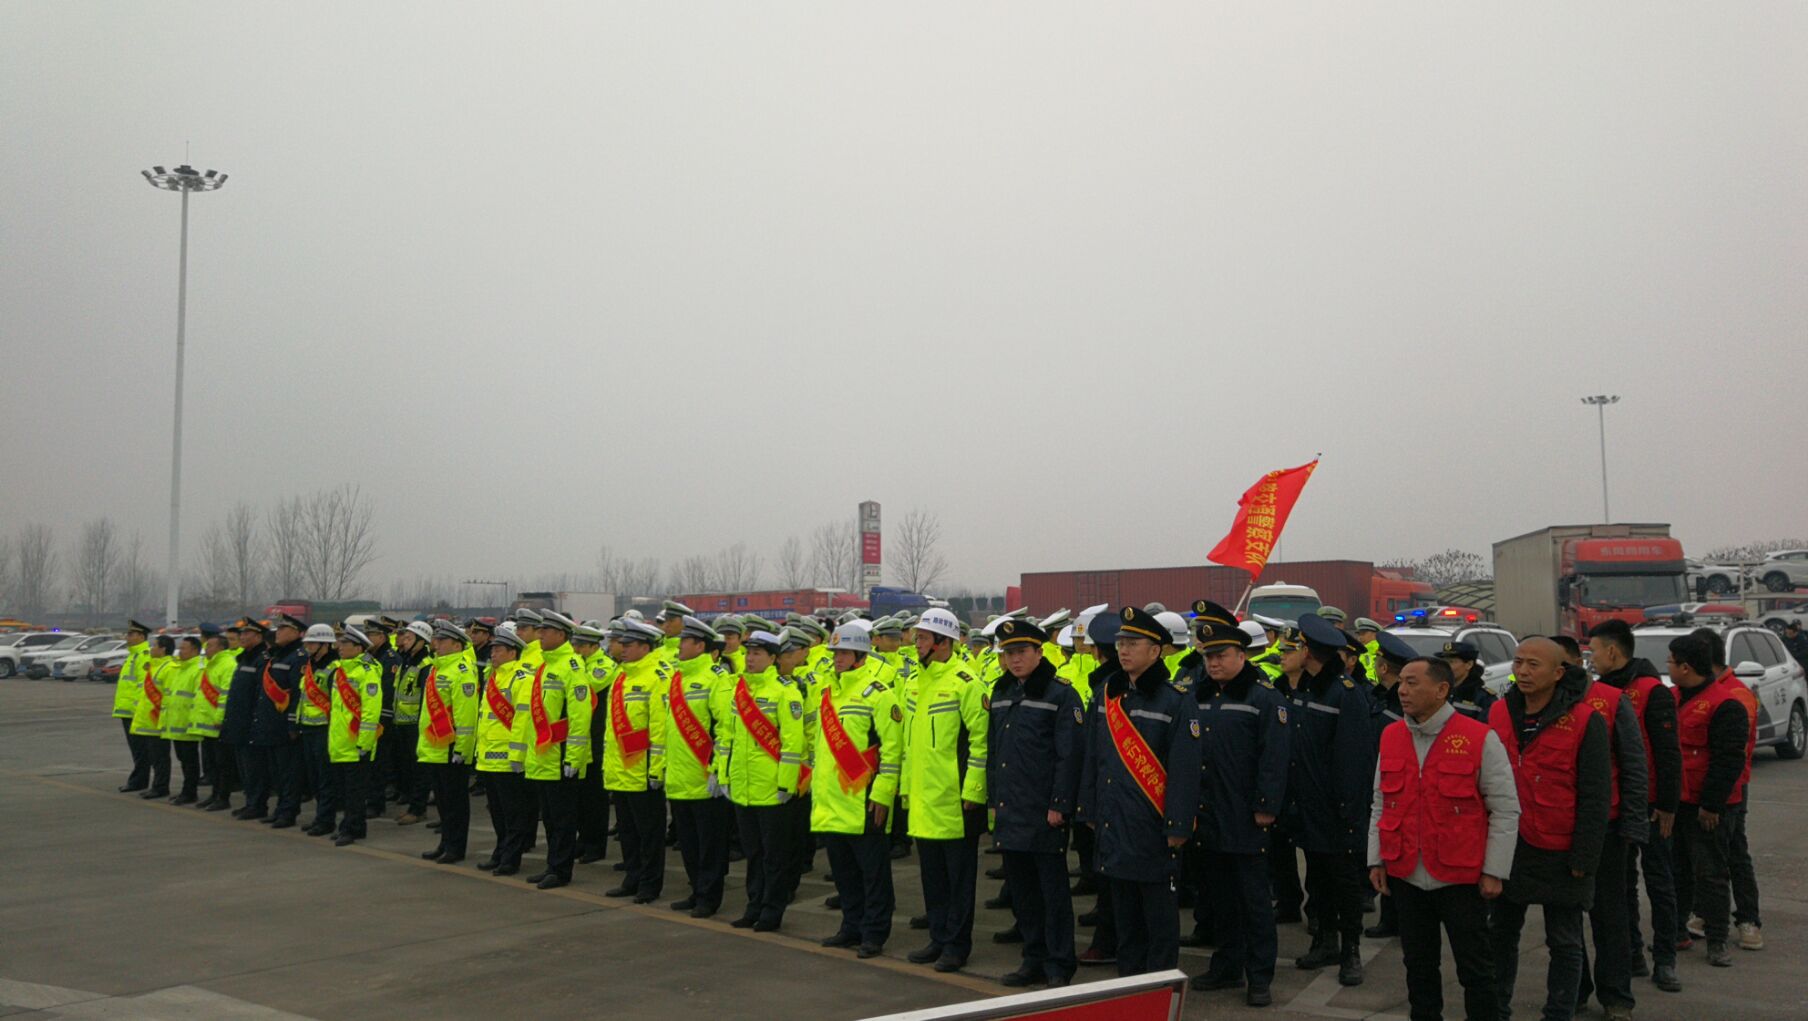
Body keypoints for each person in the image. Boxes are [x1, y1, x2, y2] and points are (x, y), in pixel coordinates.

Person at [1368, 656, 1519, 1021]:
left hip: (1460, 877)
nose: (1402, 690)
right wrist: (1376, 859)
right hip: (1406, 873)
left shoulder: (1479, 737)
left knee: (1476, 969)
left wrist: (1494, 870)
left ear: (1441, 690)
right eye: (1401, 682)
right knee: (1418, 966)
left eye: (1413, 682)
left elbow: (1504, 809)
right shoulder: (1391, 735)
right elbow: (1380, 802)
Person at [1489, 637, 1612, 1021]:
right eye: (1518, 662)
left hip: (1560, 848)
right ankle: (1496, 1010)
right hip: (1509, 845)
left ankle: (1559, 1012)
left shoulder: (1584, 720)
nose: (1523, 671)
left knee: (1564, 940)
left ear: (1559, 673)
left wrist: (1584, 857)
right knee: (1500, 935)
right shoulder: (1498, 712)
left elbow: (1596, 795)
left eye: (1533, 665)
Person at [1076, 607, 1203, 977]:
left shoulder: (1175, 700)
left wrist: (1178, 825)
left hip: (1153, 826)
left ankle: (1160, 990)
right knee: (1125, 921)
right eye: (1121, 643)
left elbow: (1185, 769)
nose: (1124, 650)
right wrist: (1088, 809)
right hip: (1114, 822)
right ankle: (1130, 988)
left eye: (1133, 643)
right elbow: (1092, 757)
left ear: (1156, 650)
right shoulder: (1108, 695)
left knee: (1159, 921)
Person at [1187, 601, 1290, 1008]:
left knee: (1254, 902)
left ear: (1242, 656)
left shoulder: (1264, 697)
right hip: (1208, 813)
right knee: (1220, 898)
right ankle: (1226, 965)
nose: (1213, 663)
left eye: (1221, 655)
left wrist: (1266, 805)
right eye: (1208, 656)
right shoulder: (1198, 695)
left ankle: (1259, 975)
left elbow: (1275, 757)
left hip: (1246, 816)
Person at [985, 618, 1083, 989]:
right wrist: (993, 800)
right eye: (1009, 652)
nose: (1015, 659)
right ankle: (1033, 957)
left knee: (1052, 894)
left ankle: (1059, 963)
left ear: (1040, 653)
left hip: (1044, 811)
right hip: (1011, 807)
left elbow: (1069, 755)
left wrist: (1060, 803)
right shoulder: (1001, 691)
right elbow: (995, 752)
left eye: (1022, 651)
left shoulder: (1060, 694)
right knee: (1024, 893)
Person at [1587, 618, 1683, 994]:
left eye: (1594, 651)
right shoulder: (1597, 691)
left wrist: (1667, 805)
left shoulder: (1651, 691)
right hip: (1617, 807)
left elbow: (1667, 753)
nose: (1591, 659)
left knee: (1659, 881)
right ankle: (1631, 954)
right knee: (1621, 885)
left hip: (1652, 805)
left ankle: (1666, 959)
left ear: (1613, 651)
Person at [1288, 613, 1380, 986]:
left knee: (1345, 884)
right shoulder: (1308, 688)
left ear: (1310, 652)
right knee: (1319, 880)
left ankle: (1350, 950)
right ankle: (1325, 942)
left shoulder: (1345, 693)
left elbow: (1354, 759)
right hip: (1309, 805)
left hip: (1337, 810)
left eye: (1299, 646)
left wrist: (1349, 812)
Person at [1566, 634, 1650, 1021]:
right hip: (1556, 830)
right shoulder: (1533, 706)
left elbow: (1634, 765)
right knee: (1565, 919)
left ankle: (1616, 996)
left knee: (1609, 916)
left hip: (1608, 829)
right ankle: (1575, 987)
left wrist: (1633, 825)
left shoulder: (1612, 701)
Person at [902, 608, 990, 973]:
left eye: (923, 638)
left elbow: (980, 743)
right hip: (924, 799)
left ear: (943, 642)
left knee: (959, 881)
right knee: (933, 877)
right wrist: (905, 789)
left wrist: (974, 792)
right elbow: (909, 744)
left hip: (955, 802)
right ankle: (938, 938)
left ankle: (956, 945)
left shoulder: (966, 683)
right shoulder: (913, 682)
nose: (916, 643)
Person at [813, 622, 905, 959]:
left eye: (844, 653)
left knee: (873, 874)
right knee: (844, 873)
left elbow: (892, 751)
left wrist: (883, 794)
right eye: (835, 652)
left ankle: (874, 932)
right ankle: (851, 926)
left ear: (860, 655)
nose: (837, 658)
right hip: (832, 800)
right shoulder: (828, 692)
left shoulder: (879, 694)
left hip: (865, 800)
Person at [1668, 632, 1755, 969]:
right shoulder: (1672, 698)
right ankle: (1678, 931)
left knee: (1712, 872)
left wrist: (1711, 805)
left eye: (1671, 662)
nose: (1668, 667)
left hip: (1708, 806)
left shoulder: (1726, 703)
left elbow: (1729, 759)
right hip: (1677, 802)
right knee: (1678, 871)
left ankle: (1717, 939)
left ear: (1686, 667)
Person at [720, 628, 806, 931]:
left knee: (774, 857)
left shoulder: (786, 692)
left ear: (773, 658)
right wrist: (724, 775)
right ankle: (753, 906)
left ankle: (771, 911)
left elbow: (793, 744)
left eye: (757, 653)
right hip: (743, 787)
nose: (750, 659)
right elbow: (727, 737)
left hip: (772, 790)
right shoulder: (739, 691)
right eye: (748, 653)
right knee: (753, 855)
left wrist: (786, 784)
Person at [665, 616, 733, 916]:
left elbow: (725, 729)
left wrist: (719, 770)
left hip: (705, 778)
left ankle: (709, 897)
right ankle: (696, 890)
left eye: (685, 641)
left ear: (700, 645)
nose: (679, 645)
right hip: (679, 777)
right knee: (689, 844)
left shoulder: (716, 678)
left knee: (710, 845)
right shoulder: (677, 678)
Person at [522, 610, 590, 890]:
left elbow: (579, 716)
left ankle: (561, 870)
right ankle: (552, 865)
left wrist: (573, 757)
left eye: (545, 631)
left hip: (561, 756)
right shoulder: (546, 665)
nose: (540, 635)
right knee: (550, 818)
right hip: (543, 756)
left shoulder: (571, 667)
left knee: (563, 819)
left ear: (560, 635)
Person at [603, 618, 669, 903]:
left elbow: (659, 730)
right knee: (628, 832)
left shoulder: (657, 677)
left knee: (649, 833)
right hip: (620, 769)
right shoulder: (621, 676)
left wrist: (656, 770)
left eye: (628, 645)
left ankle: (650, 884)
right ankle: (632, 877)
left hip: (643, 770)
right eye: (622, 644)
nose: (623, 649)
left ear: (645, 647)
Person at [1361, 630, 1421, 941]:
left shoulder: (1403, 706)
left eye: (1377, 661)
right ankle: (1389, 916)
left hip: (1398, 787)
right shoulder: (1380, 697)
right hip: (1376, 782)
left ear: (1384, 667)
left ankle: (1398, 918)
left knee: (1398, 852)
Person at [417, 619, 478, 864]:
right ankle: (445, 842)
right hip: (435, 746)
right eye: (437, 640)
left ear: (456, 645)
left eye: (442, 641)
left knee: (455, 802)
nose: (437, 644)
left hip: (451, 747)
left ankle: (456, 847)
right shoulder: (437, 668)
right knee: (442, 801)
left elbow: (465, 716)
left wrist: (462, 749)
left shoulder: (462, 672)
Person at [476, 626, 534, 875]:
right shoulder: (493, 677)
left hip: (508, 759)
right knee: (497, 812)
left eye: (498, 649)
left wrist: (517, 756)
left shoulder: (522, 679)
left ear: (513, 652)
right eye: (492, 650)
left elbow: (522, 720)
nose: (493, 654)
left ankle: (511, 858)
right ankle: (501, 851)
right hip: (488, 757)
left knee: (513, 813)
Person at [328, 625, 383, 847]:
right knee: (344, 790)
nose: (339, 647)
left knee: (355, 792)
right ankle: (351, 826)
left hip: (356, 744)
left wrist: (364, 744)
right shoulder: (340, 670)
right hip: (340, 741)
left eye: (345, 643)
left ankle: (352, 828)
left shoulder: (367, 672)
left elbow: (370, 712)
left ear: (358, 648)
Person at [297, 624, 342, 837]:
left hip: (325, 729)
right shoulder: (310, 666)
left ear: (325, 644)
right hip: (308, 727)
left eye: (312, 643)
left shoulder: (335, 668)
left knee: (326, 779)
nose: (308, 647)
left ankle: (326, 820)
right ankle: (319, 817)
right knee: (314, 777)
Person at [192, 623, 241, 811]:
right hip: (207, 722)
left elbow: (225, 695)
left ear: (221, 647)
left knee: (223, 764)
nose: (206, 648)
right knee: (212, 763)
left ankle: (223, 797)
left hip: (217, 723)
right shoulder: (211, 664)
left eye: (210, 646)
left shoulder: (228, 665)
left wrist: (220, 718)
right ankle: (214, 795)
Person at [390, 621, 433, 825]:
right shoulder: (407, 661)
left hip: (416, 725)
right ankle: (412, 805)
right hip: (402, 723)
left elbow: (425, 699)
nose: (404, 641)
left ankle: (418, 809)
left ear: (421, 641)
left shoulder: (426, 665)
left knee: (419, 771)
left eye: (409, 638)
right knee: (407, 767)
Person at [161, 633, 207, 805]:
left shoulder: (198, 669)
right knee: (183, 760)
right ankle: (186, 791)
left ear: (194, 650)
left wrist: (193, 721)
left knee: (190, 760)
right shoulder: (181, 668)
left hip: (188, 723)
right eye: (180, 648)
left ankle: (190, 792)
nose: (180, 651)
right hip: (176, 722)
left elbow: (198, 698)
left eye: (183, 648)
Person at [129, 634, 175, 799]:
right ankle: (156, 785)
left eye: (154, 645)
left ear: (163, 649)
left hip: (157, 719)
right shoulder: (154, 666)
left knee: (160, 757)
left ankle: (161, 787)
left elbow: (168, 694)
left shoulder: (169, 667)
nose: (151, 649)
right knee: (154, 756)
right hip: (148, 720)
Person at [112, 620, 154, 793]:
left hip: (135, 712)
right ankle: (139, 780)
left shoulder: (144, 656)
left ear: (141, 637)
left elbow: (143, 685)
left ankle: (139, 781)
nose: (127, 637)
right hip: (127, 711)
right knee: (137, 749)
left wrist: (138, 708)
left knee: (140, 749)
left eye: (131, 634)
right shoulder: (133, 655)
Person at [1439, 641, 1498, 723]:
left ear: (1469, 664)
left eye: (1451, 662)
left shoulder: (1484, 698)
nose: (1446, 666)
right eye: (1444, 662)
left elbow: (1485, 728)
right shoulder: (1438, 691)